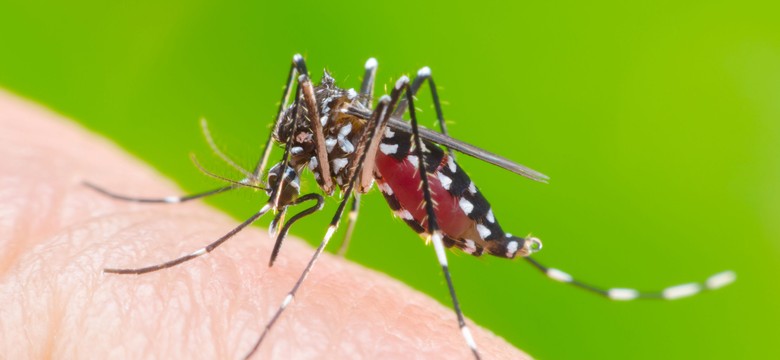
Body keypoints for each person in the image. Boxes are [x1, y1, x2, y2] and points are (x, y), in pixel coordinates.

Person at [0, 89, 527, 359]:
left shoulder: (321, 143)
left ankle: (461, 322)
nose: (282, 198)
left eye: (277, 186)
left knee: (396, 104)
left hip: (414, 172)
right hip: (380, 157)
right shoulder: (311, 144)